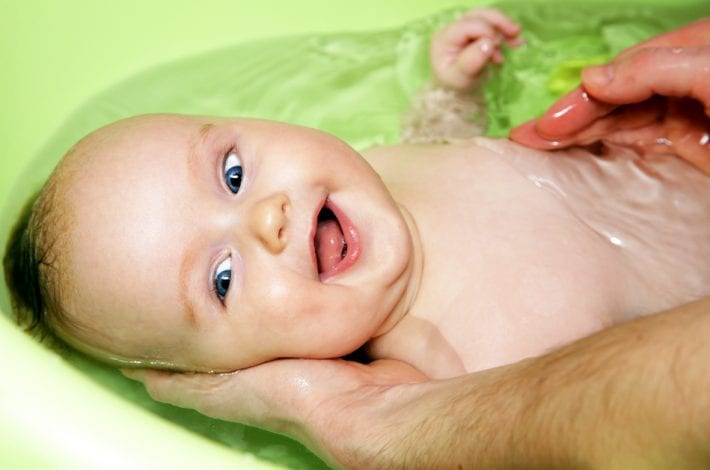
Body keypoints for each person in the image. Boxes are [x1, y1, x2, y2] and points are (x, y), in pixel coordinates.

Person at [4, 10, 709, 468]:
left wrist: (452, 92)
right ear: (241, 372)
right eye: (222, 279)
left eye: (233, 171)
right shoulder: (431, 381)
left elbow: (440, 141)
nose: (266, 218)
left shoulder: (382, 164)